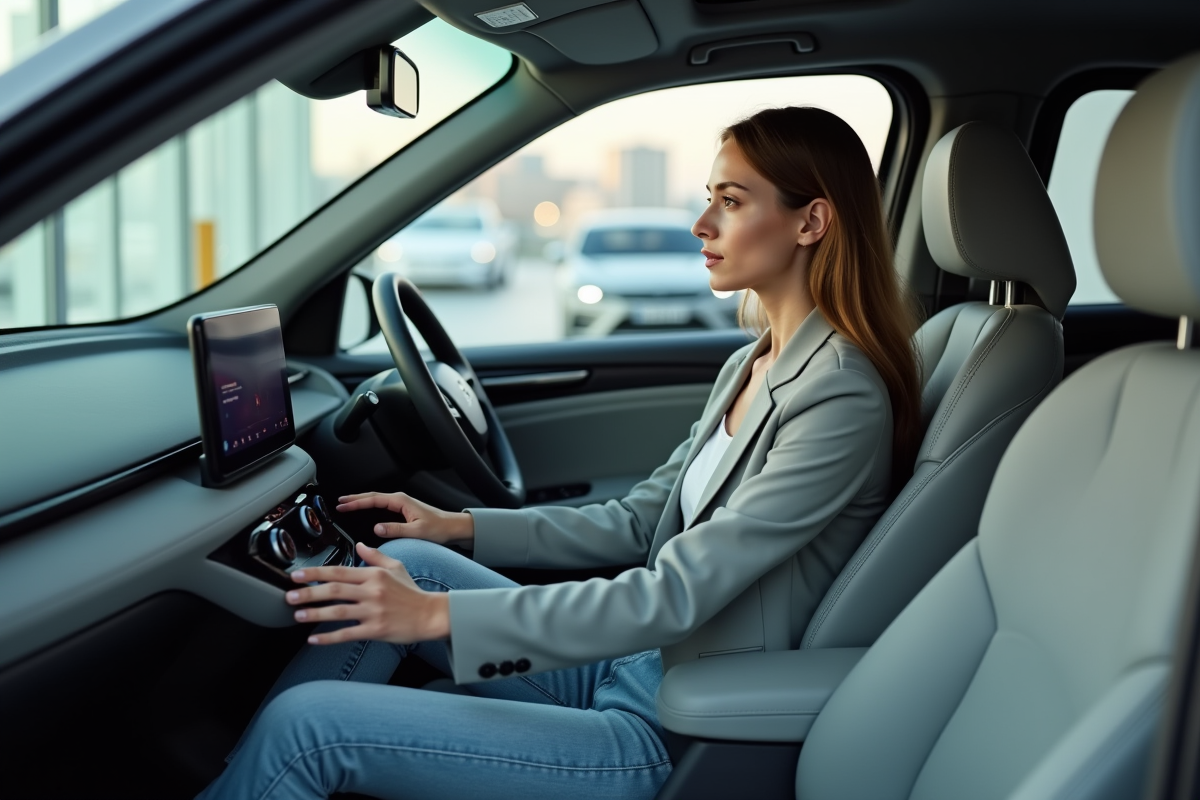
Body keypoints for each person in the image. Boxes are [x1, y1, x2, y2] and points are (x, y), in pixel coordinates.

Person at [198, 106, 922, 800]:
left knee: (309, 729)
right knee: (409, 565)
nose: (702, 224)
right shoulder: (755, 361)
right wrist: (462, 526)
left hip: (674, 727)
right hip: (638, 665)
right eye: (709, 198)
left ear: (812, 221)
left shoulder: (838, 396)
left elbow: (678, 592)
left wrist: (434, 619)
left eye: (731, 202)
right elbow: (644, 520)